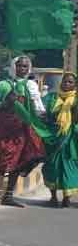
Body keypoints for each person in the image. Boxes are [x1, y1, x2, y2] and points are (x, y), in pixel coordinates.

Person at [0, 55, 46, 208]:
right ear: (14, 67)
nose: (23, 69)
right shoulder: (3, 85)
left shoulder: (31, 86)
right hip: (7, 130)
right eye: (20, 66)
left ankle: (8, 196)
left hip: (24, 129)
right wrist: (7, 101)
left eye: (26, 67)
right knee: (3, 161)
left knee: (19, 162)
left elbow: (38, 109)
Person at [38, 72, 78, 207]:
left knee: (69, 167)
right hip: (52, 137)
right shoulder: (52, 97)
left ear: (75, 85)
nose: (67, 84)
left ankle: (67, 198)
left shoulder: (75, 100)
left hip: (69, 138)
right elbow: (42, 111)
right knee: (52, 166)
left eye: (70, 82)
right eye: (65, 81)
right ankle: (53, 196)